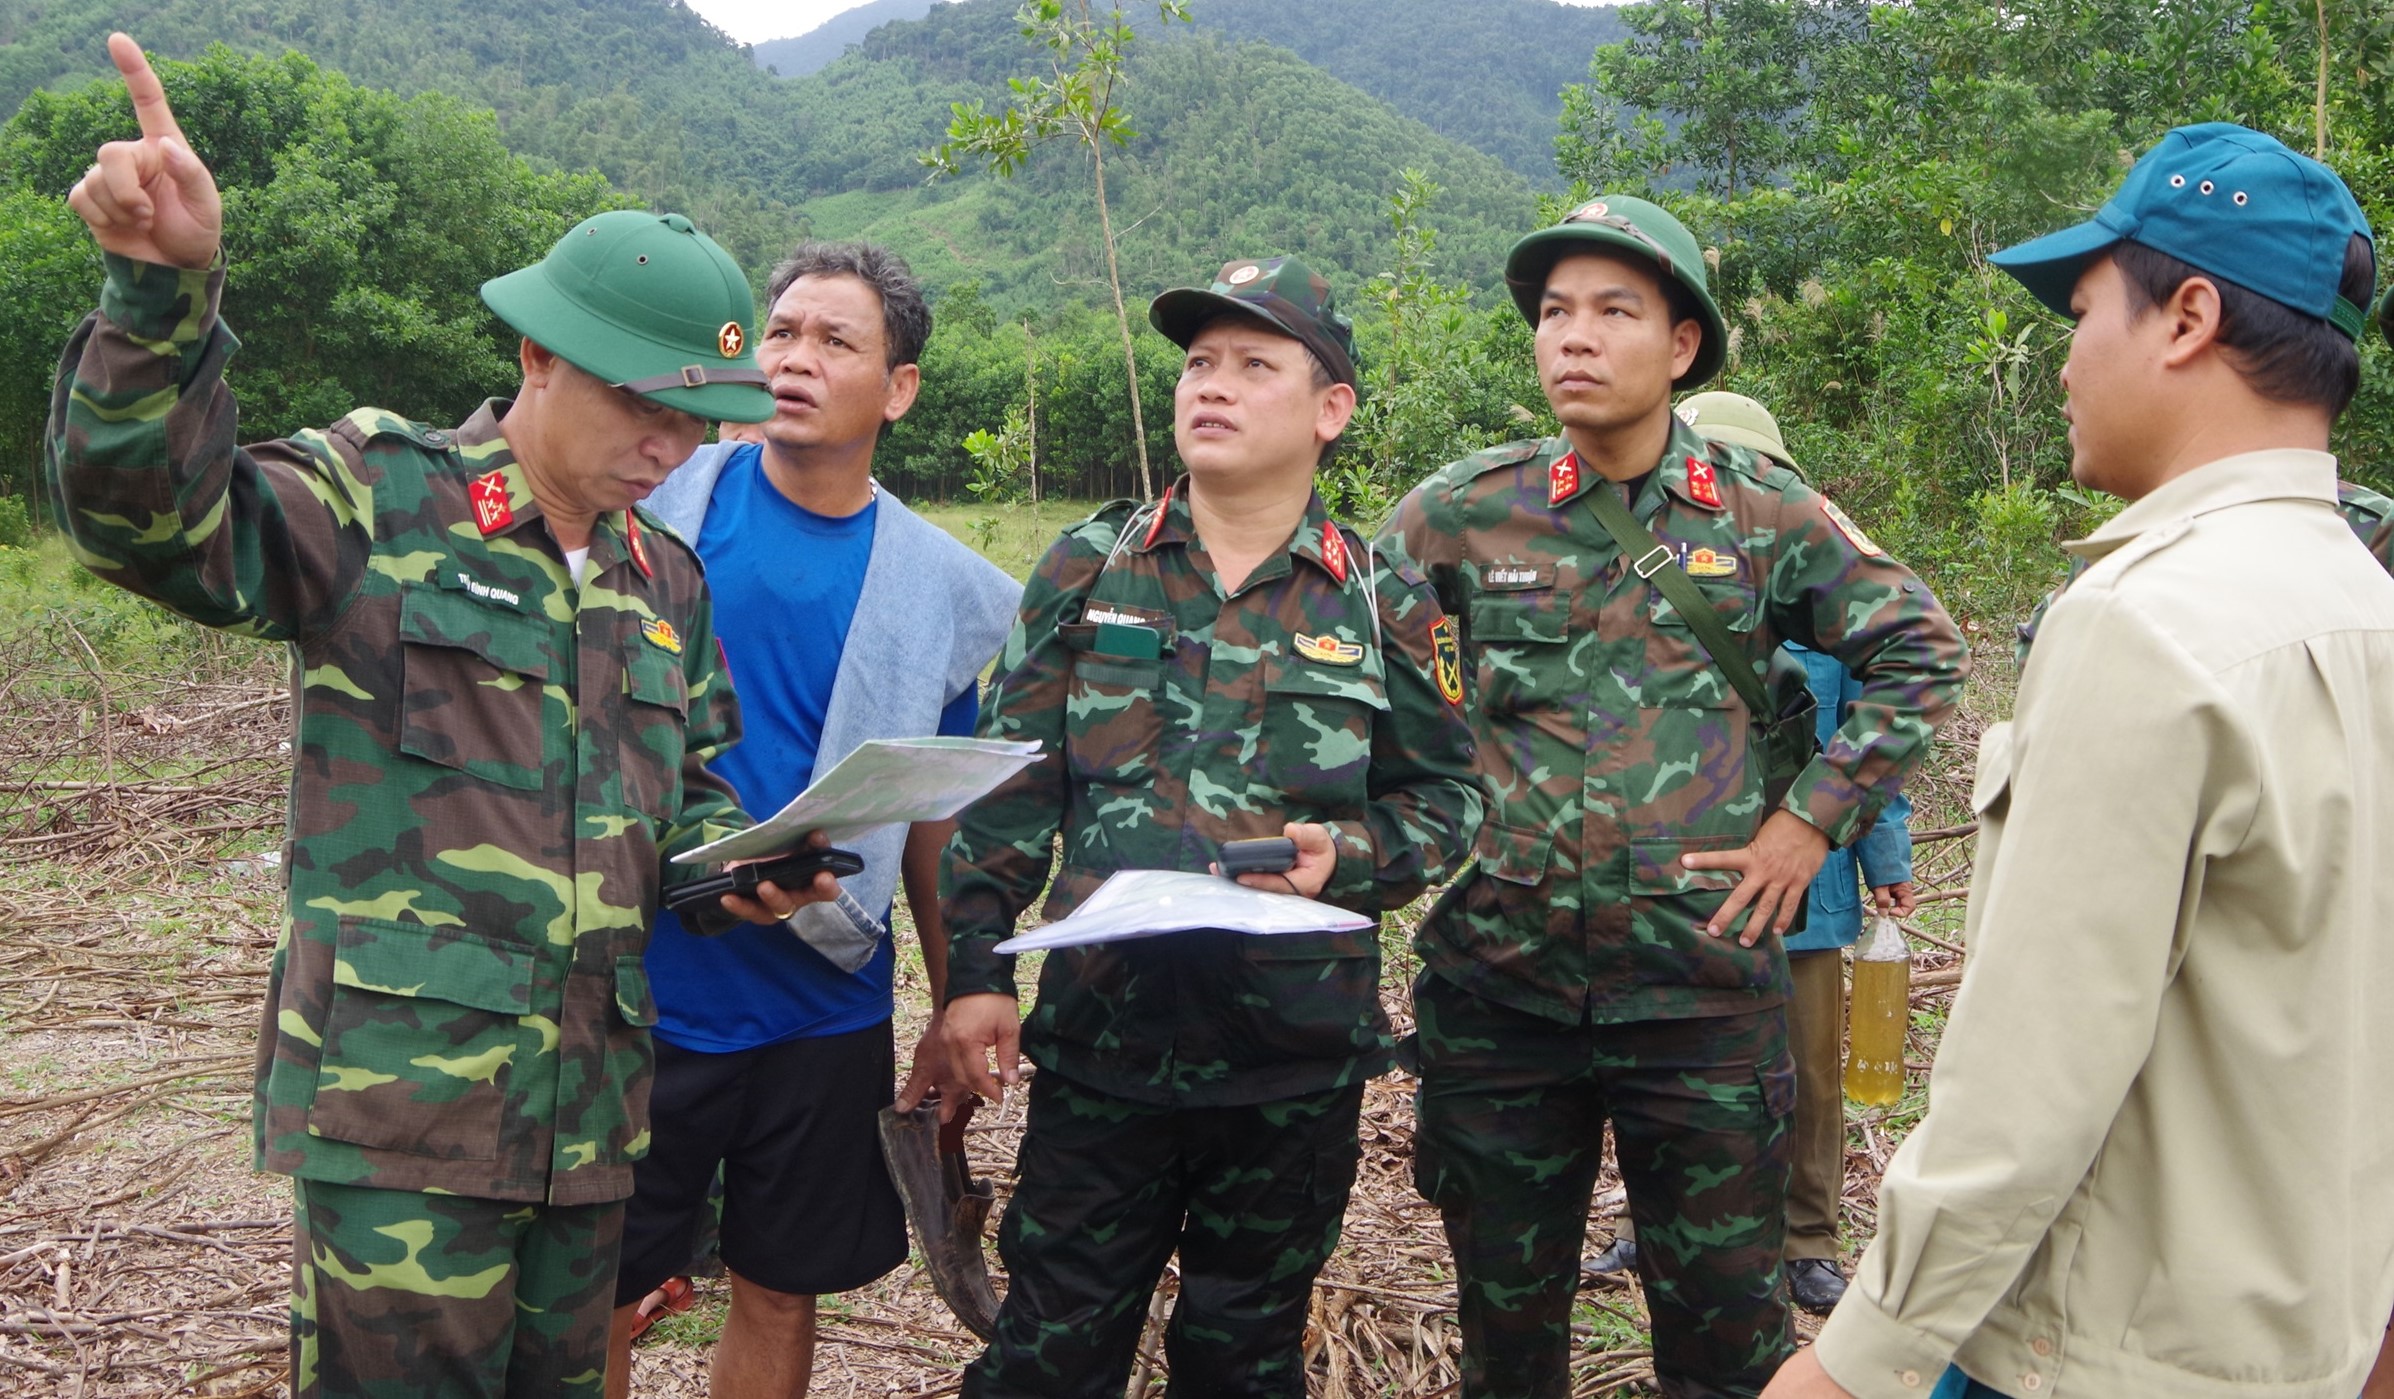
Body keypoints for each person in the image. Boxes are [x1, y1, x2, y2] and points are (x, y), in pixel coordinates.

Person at [48, 35, 837, 1398]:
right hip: (403, 1114)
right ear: (537, 354)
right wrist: (155, 293)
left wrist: (741, 868)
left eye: (693, 418)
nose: (665, 445)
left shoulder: (667, 582)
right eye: (637, 404)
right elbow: (148, 527)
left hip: (586, 1120)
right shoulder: (383, 499)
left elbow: (682, 797)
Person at [1766, 122, 2394, 1399]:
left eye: (2085, 306)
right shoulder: (2364, 604)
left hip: (2104, 1350)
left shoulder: (2149, 622)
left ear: (2189, 317)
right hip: (2303, 1341)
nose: (2064, 355)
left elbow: (2028, 1087)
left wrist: (1857, 1360)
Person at [1375, 197, 1966, 1399]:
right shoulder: (1459, 512)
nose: (1571, 339)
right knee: (1506, 1333)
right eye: (1553, 313)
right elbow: (1354, 686)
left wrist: (1811, 820)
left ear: (1682, 345)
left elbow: (1922, 650)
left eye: (1611, 311)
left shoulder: (1760, 511)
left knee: (1723, 1341)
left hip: (1700, 992)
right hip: (1501, 997)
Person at [938, 257, 1485, 1397]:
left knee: (1242, 1359)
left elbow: (1452, 794)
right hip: (1104, 1046)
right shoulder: (1090, 569)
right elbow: (1007, 785)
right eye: (1197, 363)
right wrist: (978, 968)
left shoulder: (1384, 600)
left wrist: (1360, 859)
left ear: (1330, 408)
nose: (1212, 386)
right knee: (1050, 1349)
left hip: (1290, 1059)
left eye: (1252, 364)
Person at [603, 242, 1019, 1399]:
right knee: (602, 1289)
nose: (795, 357)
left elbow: (931, 816)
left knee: (782, 1283)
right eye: (781, 332)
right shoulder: (658, 509)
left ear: (898, 389)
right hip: (647, 986)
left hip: (820, 996)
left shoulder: (936, 585)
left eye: (837, 340)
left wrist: (954, 992)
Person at [1587, 393, 1918, 1319]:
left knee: (1809, 1067)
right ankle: (1656, 1226)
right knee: (1662, 1058)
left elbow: (1870, 734)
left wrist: (1881, 854)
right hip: (1676, 880)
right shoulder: (1632, 577)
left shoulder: (1828, 584)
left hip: (1804, 881)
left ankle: (1808, 1236)